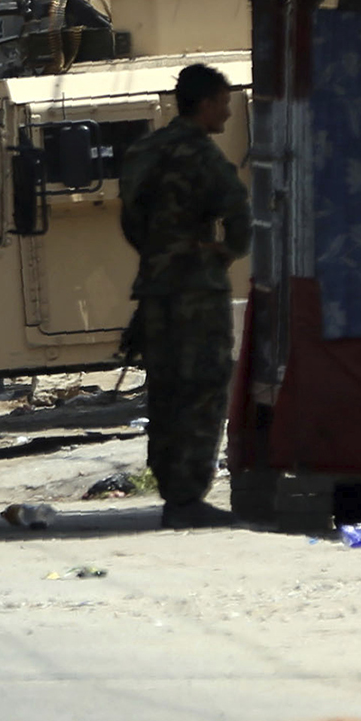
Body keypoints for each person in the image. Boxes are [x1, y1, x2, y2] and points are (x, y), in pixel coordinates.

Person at [117, 62, 250, 529]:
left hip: (155, 291)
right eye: (225, 104)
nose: (228, 115)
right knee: (204, 387)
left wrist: (158, 254)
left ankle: (172, 488)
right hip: (198, 291)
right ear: (207, 103)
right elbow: (239, 217)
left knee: (165, 389)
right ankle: (188, 496)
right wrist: (222, 253)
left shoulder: (144, 151)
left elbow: (130, 219)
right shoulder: (206, 157)